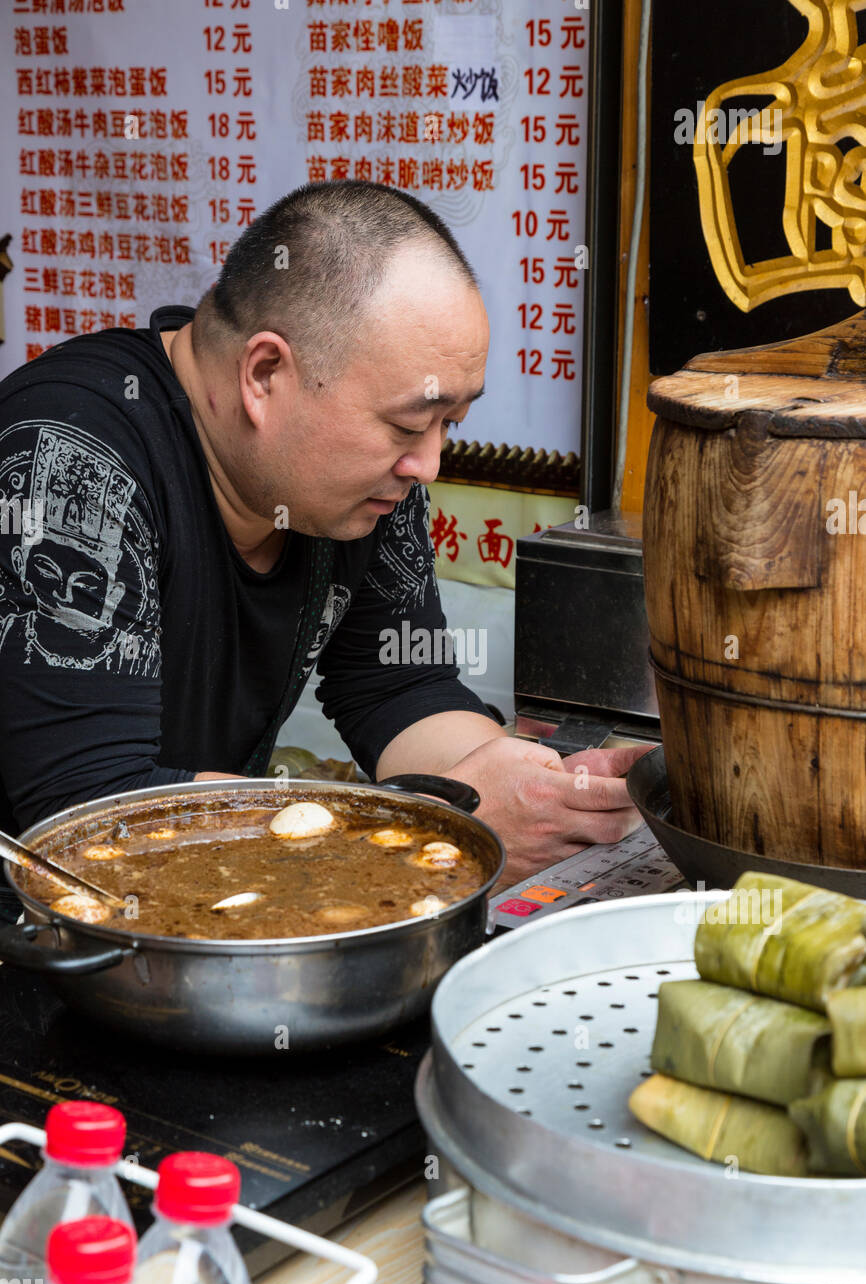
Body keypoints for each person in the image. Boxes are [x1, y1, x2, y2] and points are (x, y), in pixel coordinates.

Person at [0, 181, 645, 901]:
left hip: (213, 912)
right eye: (407, 426)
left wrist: (526, 779)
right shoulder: (72, 462)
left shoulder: (369, 485)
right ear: (266, 374)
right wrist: (428, 827)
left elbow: (399, 684)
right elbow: (91, 815)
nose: (427, 464)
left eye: (448, 424)